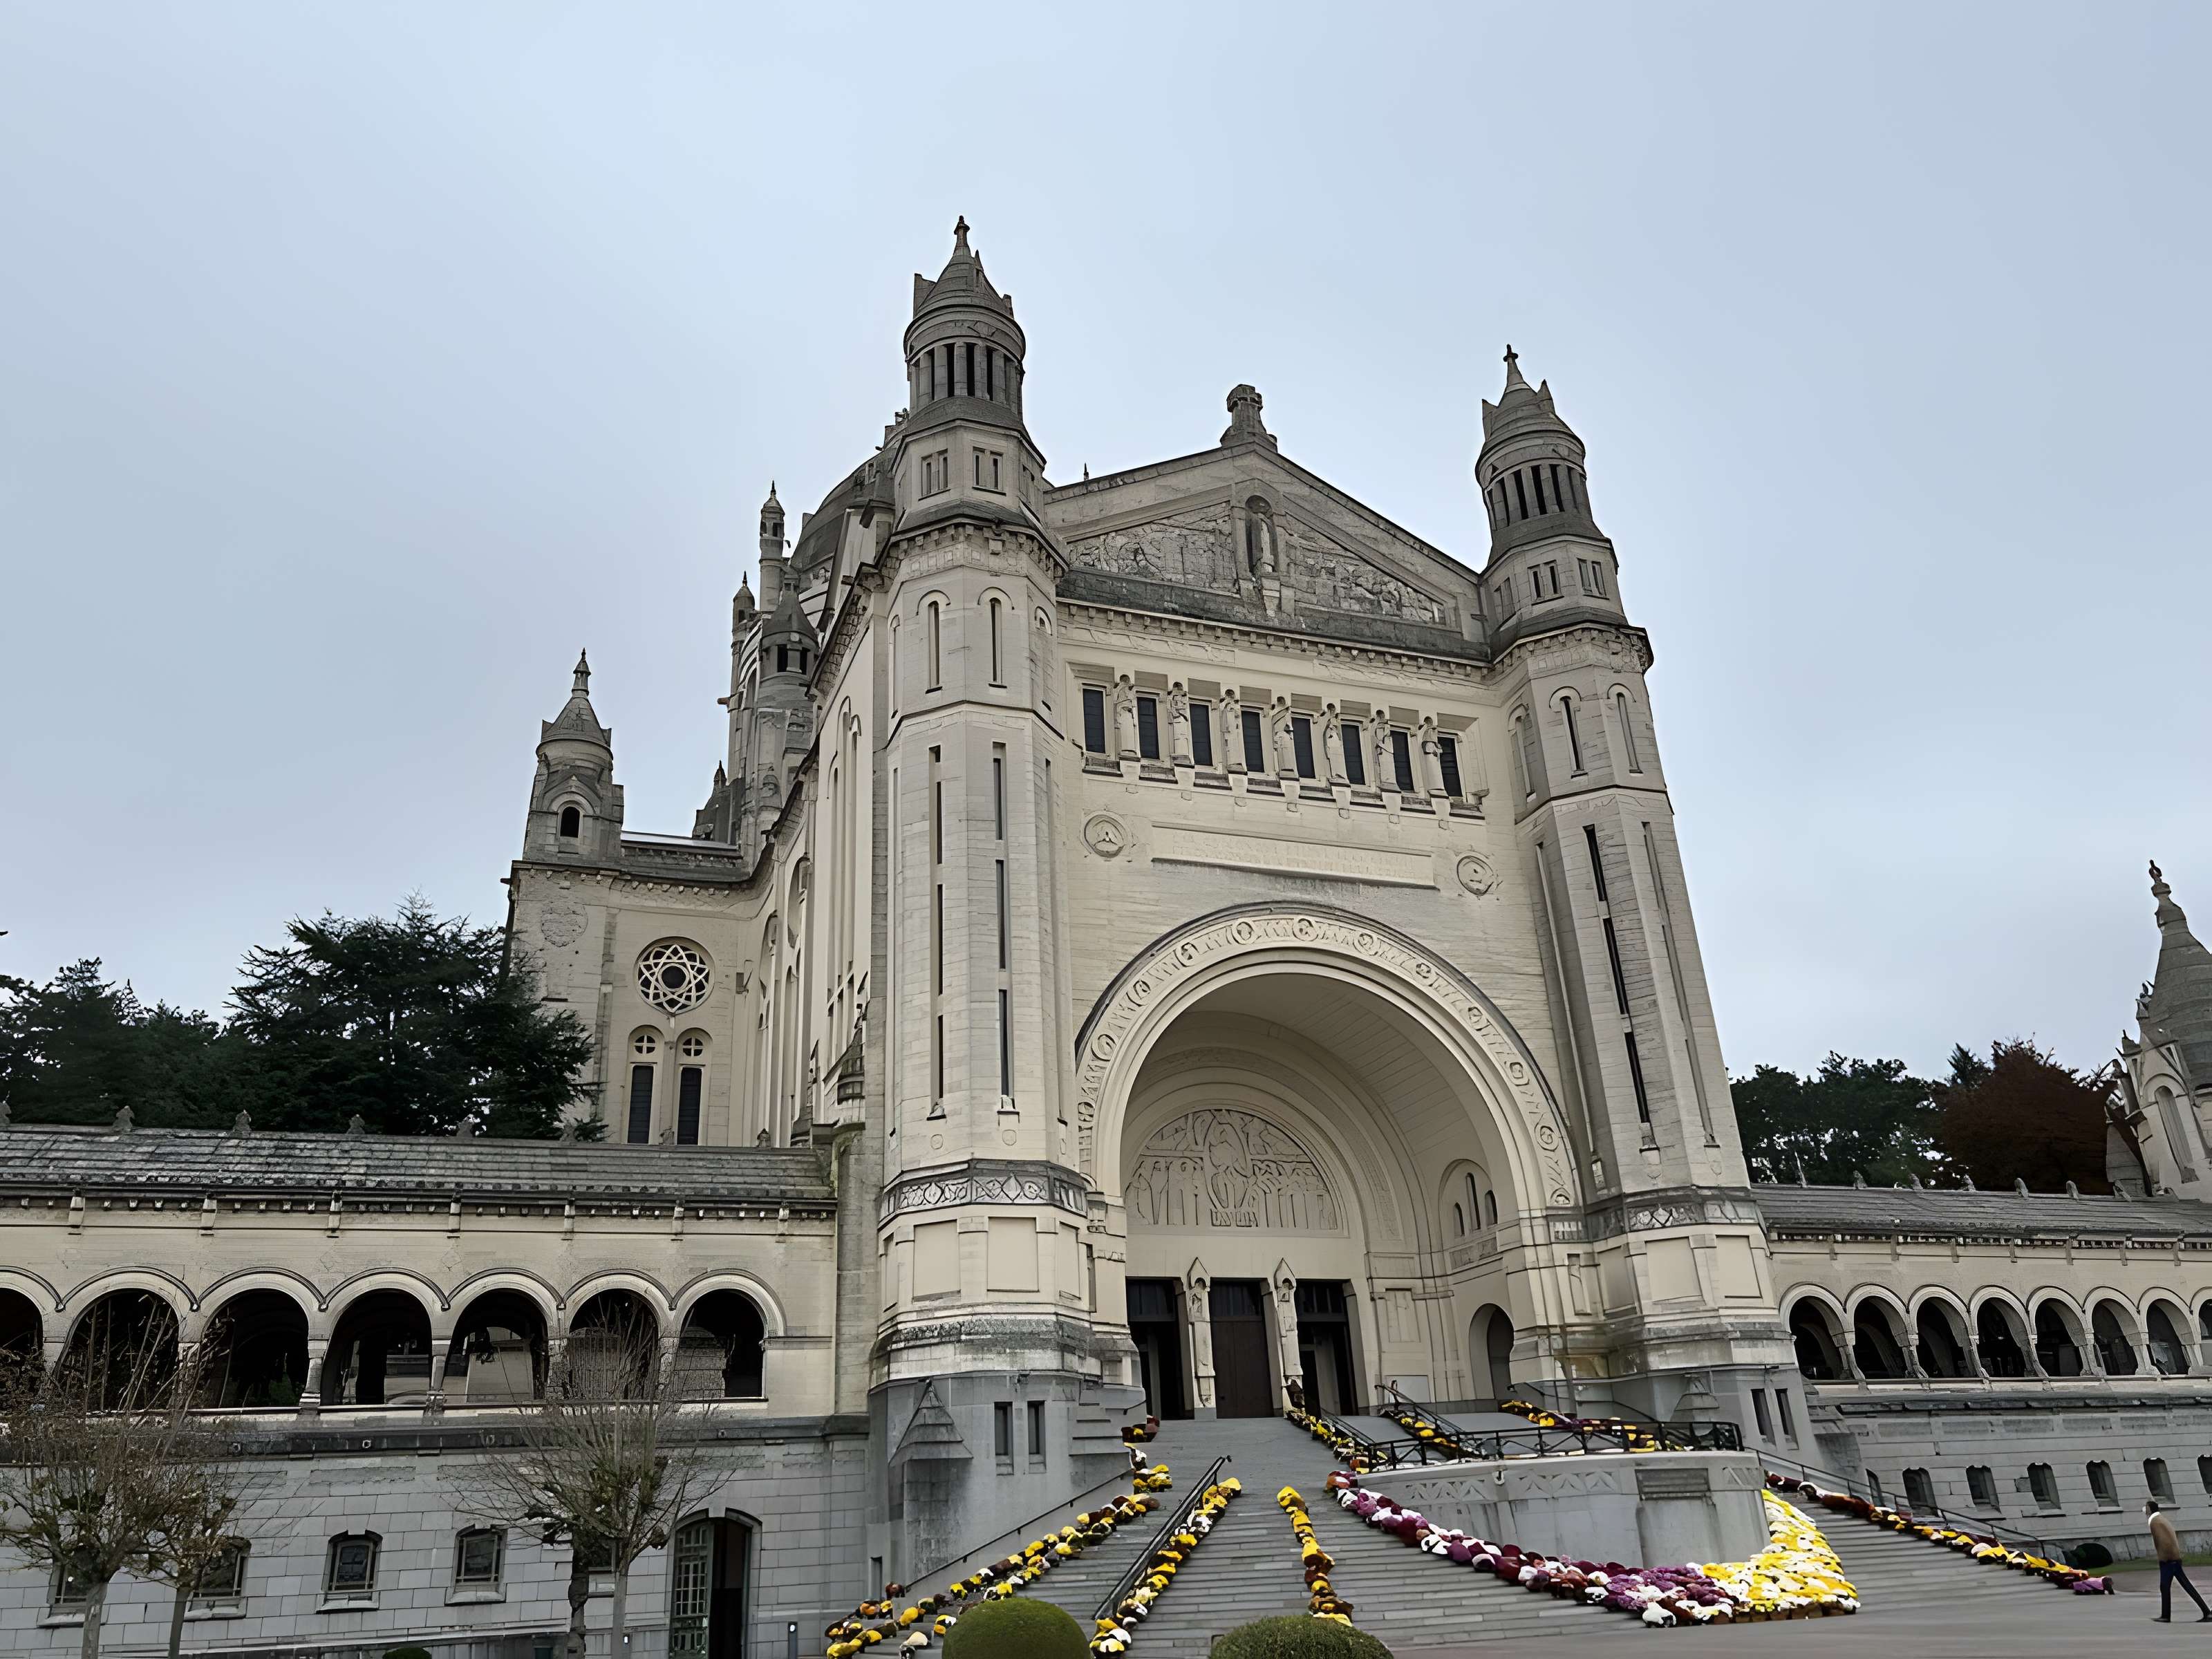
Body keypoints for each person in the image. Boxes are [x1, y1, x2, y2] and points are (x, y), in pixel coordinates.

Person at [2148, 1499, 2210, 1622]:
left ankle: (2166, 1616)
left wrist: (2165, 1558)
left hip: (2168, 1560)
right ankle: (2207, 1612)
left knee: (2165, 1586)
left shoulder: (2155, 1521)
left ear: (2150, 1509)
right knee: (2183, 1586)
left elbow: (2164, 1541)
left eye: (2146, 1508)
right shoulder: (2162, 1519)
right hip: (2173, 1559)